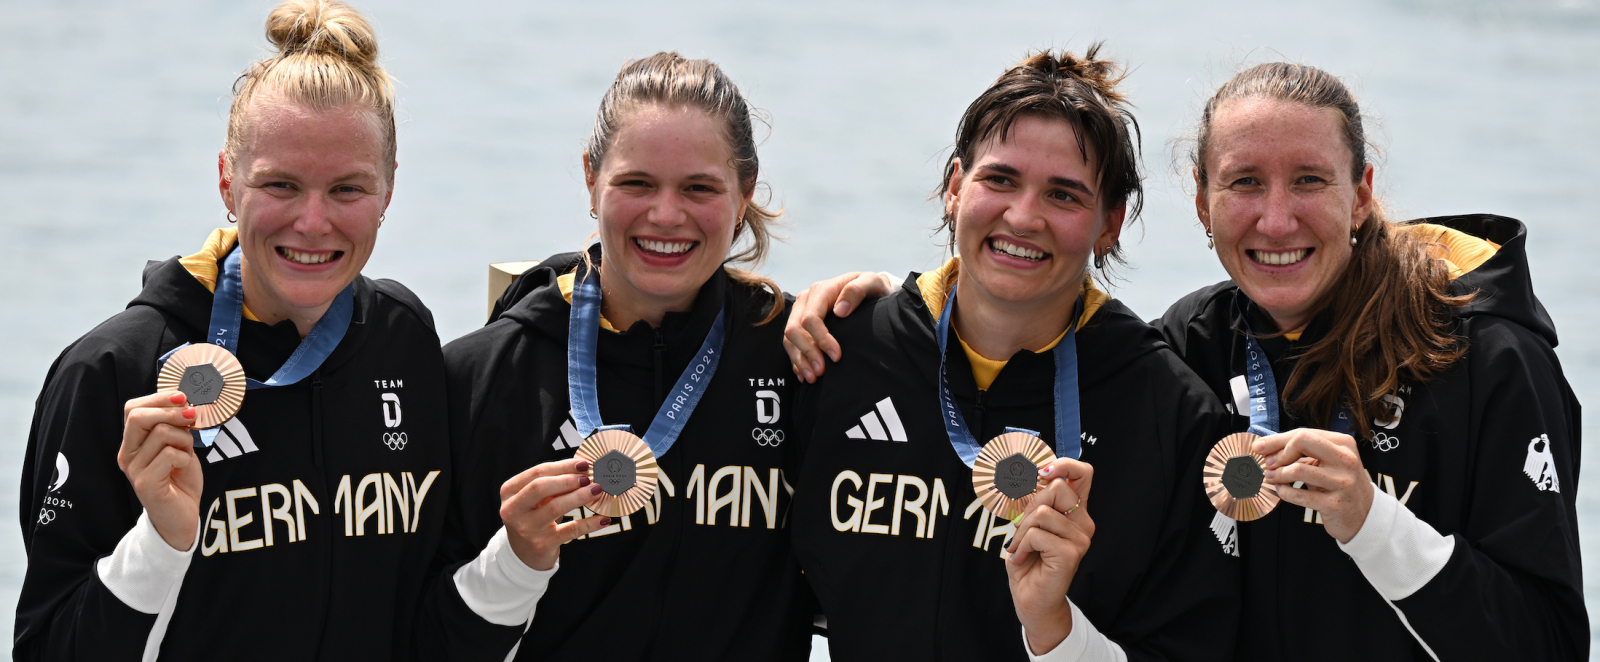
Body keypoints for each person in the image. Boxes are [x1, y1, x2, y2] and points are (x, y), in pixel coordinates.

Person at [14, 1, 458, 658]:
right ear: (228, 181)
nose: (312, 222)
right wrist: (161, 543)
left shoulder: (405, 336)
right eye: (280, 185)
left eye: (347, 190)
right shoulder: (110, 372)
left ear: (389, 190)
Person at [785, 47, 1238, 662]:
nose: (1023, 217)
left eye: (1064, 196)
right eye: (999, 180)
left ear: (1110, 224)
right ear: (954, 187)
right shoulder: (841, 351)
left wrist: (1055, 628)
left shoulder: (1169, 412)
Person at [1150, 63, 1587, 660]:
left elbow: (1548, 644)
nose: (1276, 221)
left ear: (1360, 196)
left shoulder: (1490, 358)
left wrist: (1371, 522)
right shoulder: (1189, 345)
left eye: (1309, 180)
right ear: (1202, 201)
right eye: (1244, 183)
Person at [435, 52, 813, 660]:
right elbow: (429, 641)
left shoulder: (800, 358)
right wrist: (516, 560)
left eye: (699, 188)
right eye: (636, 183)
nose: (666, 215)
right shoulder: (479, 377)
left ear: (743, 194)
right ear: (591, 178)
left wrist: (874, 303)